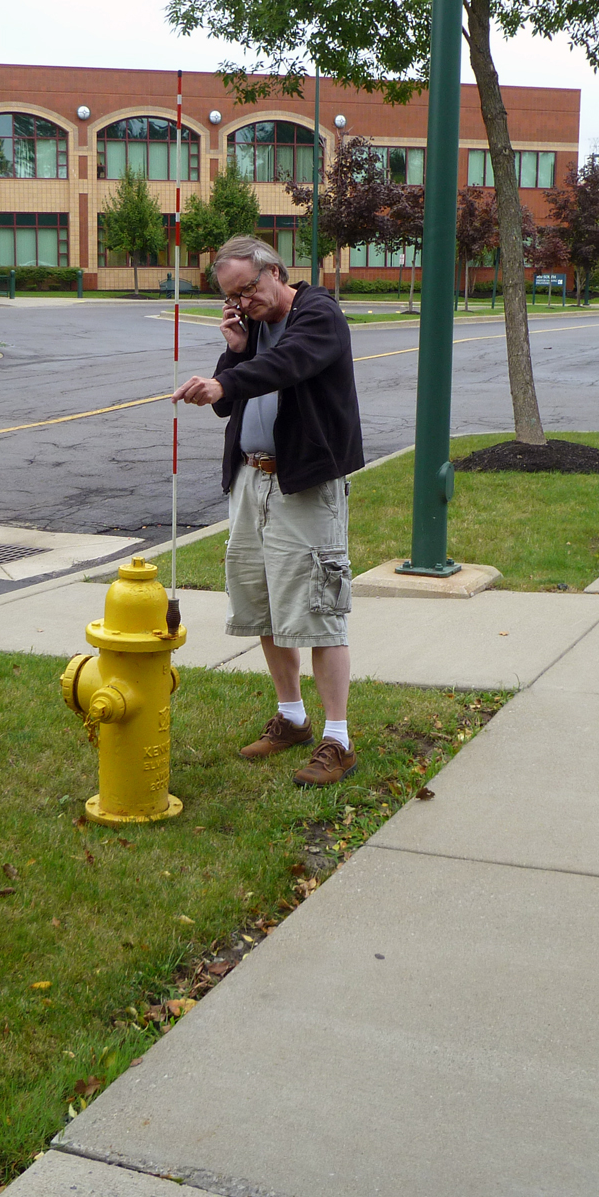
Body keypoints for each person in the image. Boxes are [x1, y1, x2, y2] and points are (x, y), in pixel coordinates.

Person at [172, 235, 364, 786]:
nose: (242, 304)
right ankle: (293, 717)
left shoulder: (319, 315)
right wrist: (233, 351)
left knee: (319, 612)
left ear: (275, 271)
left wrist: (231, 374)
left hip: (303, 486)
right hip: (251, 483)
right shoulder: (252, 328)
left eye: (248, 290)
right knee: (264, 607)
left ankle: (339, 739)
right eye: (233, 297)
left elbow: (287, 366)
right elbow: (227, 402)